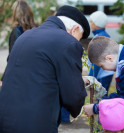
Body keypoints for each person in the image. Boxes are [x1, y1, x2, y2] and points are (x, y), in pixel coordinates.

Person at [0, 5, 90, 133]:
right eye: (79, 37)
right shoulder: (67, 42)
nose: (77, 41)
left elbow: (38, 75)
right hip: (35, 123)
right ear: (74, 29)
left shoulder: (26, 35)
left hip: (6, 118)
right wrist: (78, 107)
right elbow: (72, 94)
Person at [1, 0, 36, 82]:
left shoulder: (17, 31)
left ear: (16, 14)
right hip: (34, 73)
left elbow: (13, 57)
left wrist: (4, 79)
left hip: (20, 76)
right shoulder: (36, 29)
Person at [88, 11, 114, 94]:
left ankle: (97, 107)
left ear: (96, 24)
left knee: (98, 97)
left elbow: (96, 62)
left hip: (101, 74)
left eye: (91, 22)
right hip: (106, 74)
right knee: (102, 96)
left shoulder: (99, 39)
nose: (90, 24)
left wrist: (92, 78)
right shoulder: (105, 36)